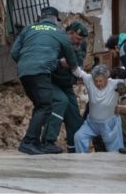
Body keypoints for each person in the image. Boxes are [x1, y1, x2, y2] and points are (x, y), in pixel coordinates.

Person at [10, 6, 78, 155]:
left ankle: (36, 143)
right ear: (55, 19)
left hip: (24, 72)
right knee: (46, 106)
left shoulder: (28, 29)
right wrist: (75, 70)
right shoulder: (59, 33)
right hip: (40, 72)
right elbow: (71, 57)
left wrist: (26, 63)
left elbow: (14, 52)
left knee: (40, 105)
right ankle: (28, 142)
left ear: (41, 17)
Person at [41, 21, 89, 153]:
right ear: (69, 33)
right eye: (77, 38)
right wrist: (59, 63)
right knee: (61, 101)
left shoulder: (81, 44)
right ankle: (47, 141)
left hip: (67, 84)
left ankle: (75, 150)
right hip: (51, 81)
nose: (79, 42)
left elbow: (80, 60)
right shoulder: (56, 40)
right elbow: (45, 61)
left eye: (82, 39)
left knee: (74, 117)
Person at [73, 64, 125, 153]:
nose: (98, 83)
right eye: (95, 81)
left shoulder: (116, 84)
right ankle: (81, 162)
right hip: (91, 124)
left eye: (100, 81)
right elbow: (77, 71)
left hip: (109, 124)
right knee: (79, 137)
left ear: (107, 78)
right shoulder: (89, 79)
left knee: (115, 152)